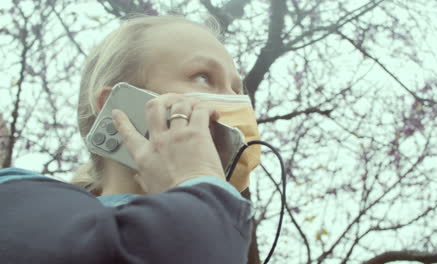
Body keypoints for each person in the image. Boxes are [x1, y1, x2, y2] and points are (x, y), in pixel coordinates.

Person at [0, 14, 259, 263]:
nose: (235, 102)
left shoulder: (228, 240)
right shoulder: (15, 199)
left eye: (237, 90)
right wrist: (201, 184)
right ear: (117, 109)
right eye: (202, 77)